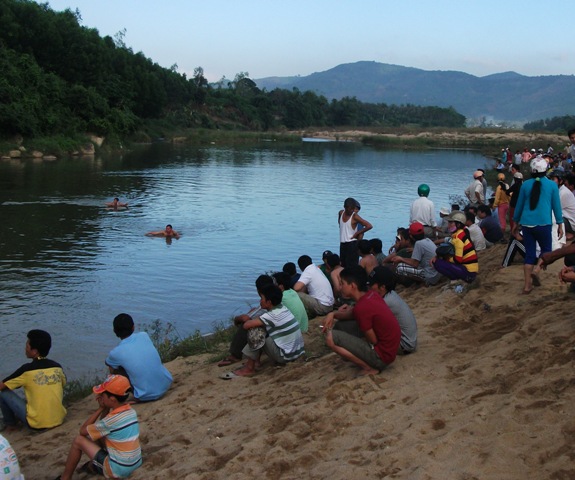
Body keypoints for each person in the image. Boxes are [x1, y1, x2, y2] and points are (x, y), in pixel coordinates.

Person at [54, 375, 142, 480]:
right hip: (135, 463)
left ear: (112, 399)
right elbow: (103, 426)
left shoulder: (110, 421)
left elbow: (82, 431)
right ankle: (95, 464)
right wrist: (105, 408)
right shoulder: (131, 412)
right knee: (98, 435)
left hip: (118, 470)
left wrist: (100, 408)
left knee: (78, 441)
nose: (101, 397)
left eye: (103, 395)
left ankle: (65, 477)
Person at [322, 266, 401, 376]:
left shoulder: (362, 307)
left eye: (342, 283)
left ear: (353, 286)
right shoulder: (371, 295)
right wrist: (333, 314)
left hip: (381, 357)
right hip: (390, 351)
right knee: (341, 326)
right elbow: (352, 314)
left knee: (330, 338)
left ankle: (368, 368)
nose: (340, 287)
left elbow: (373, 340)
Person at [228, 284, 305, 377]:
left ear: (269, 302)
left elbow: (246, 325)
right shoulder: (283, 309)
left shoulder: (271, 315)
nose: (260, 301)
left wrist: (249, 318)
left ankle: (249, 368)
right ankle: (256, 362)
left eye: (262, 299)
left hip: (285, 356)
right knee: (262, 329)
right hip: (296, 352)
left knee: (256, 332)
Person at [512, 157, 563, 294]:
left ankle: (527, 286)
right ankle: (537, 269)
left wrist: (515, 223)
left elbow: (519, 206)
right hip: (544, 224)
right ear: (545, 170)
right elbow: (556, 207)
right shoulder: (552, 185)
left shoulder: (525, 185)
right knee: (546, 250)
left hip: (527, 224)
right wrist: (560, 223)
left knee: (529, 254)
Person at [0, 330, 66, 432]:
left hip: (37, 424)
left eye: (27, 345)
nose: (25, 349)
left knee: (3, 393)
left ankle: (11, 424)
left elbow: (2, 386)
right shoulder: (57, 368)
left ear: (34, 351)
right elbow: (63, 384)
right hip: (59, 419)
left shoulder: (26, 370)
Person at [105, 314, 173, 402]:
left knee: (115, 368)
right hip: (166, 384)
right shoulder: (144, 335)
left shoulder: (115, 353)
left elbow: (108, 363)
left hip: (145, 396)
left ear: (114, 331)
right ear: (133, 327)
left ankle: (118, 395)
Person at [218, 275, 274, 367]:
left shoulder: (268, 303)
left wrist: (238, 319)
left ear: (258, 290)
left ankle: (236, 355)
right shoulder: (275, 297)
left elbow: (246, 321)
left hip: (271, 336)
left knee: (248, 325)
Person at [367, 266, 417, 354]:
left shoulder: (386, 302)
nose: (369, 287)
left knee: (367, 332)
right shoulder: (391, 294)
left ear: (382, 287)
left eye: (371, 284)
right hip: (409, 340)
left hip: (405, 345)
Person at [432, 211, 479, 283]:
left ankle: (455, 280)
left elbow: (458, 260)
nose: (448, 225)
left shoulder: (458, 239)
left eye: (451, 223)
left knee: (437, 263)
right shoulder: (461, 233)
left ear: (458, 224)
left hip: (469, 274)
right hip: (471, 271)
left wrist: (446, 259)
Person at [338, 198, 372, 268]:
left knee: (351, 266)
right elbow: (340, 223)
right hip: (343, 244)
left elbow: (369, 226)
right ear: (345, 207)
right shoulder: (341, 213)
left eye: (353, 209)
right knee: (342, 264)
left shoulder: (355, 216)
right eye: (350, 209)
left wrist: (357, 233)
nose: (352, 211)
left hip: (352, 244)